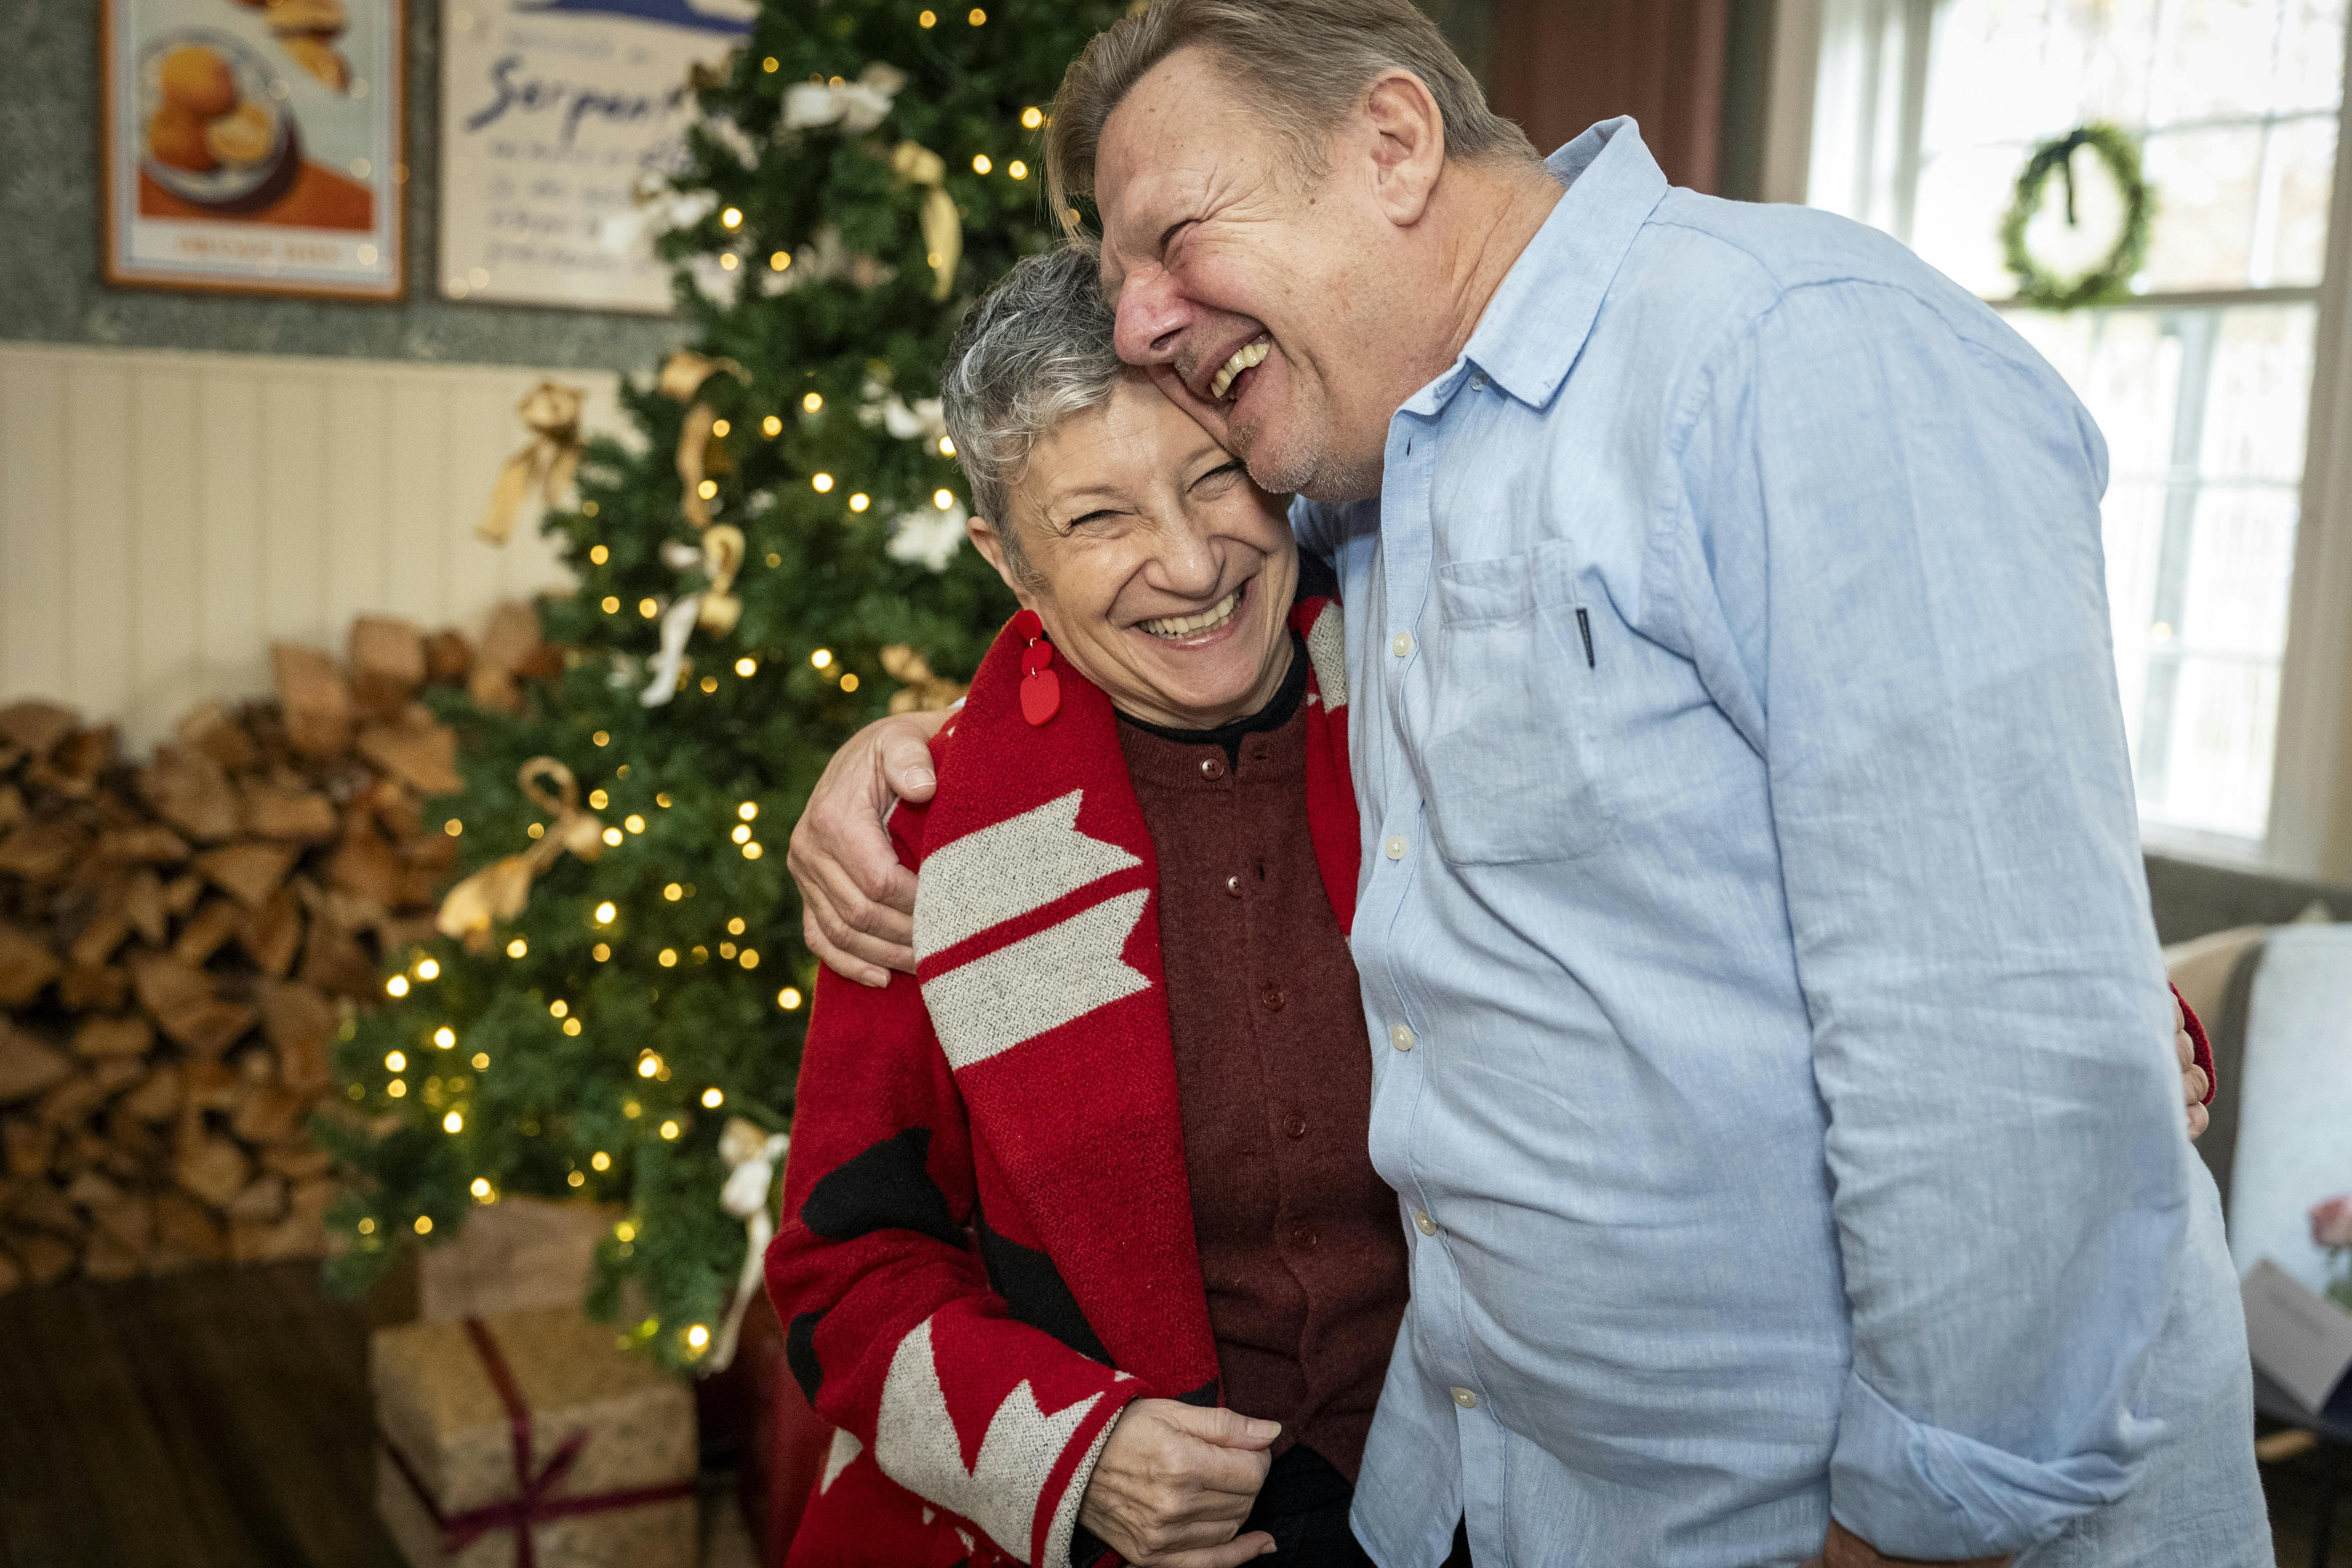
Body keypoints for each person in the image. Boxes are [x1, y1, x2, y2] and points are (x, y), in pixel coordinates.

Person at [785, 3, 2262, 1566]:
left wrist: (1913, 1518)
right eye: (1116, 278)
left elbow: (1991, 998)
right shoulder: (1376, 480)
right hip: (1490, 1497)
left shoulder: (1788, 350)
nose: (1143, 320)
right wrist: (917, 758)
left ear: (1393, 143)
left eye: (1171, 242)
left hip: (1839, 1517)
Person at [769, 246, 1410, 1568]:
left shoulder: (1425, 707)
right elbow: (844, 1273)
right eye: (1098, 519)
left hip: (1484, 1490)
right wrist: (1072, 1451)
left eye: (1214, 476)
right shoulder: (930, 835)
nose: (1188, 563)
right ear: (1008, 562)